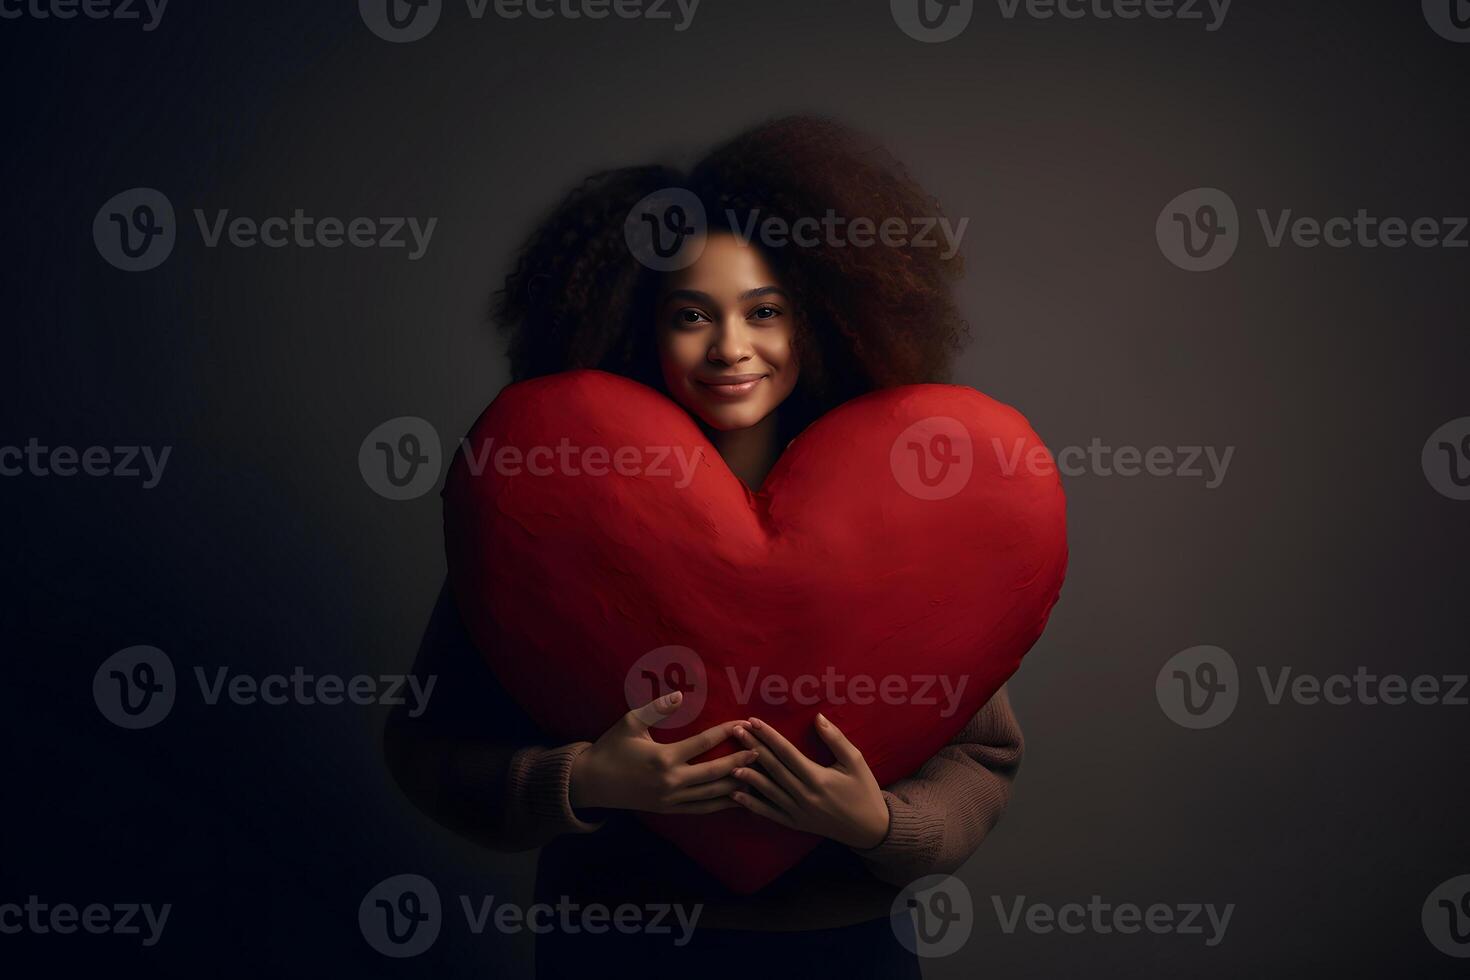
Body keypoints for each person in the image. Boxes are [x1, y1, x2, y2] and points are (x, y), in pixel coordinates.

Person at [383, 116, 1024, 977]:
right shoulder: (549, 505)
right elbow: (428, 745)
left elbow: (980, 756)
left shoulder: (910, 513)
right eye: (692, 315)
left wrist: (877, 825)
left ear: (825, 317)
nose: (731, 347)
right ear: (638, 325)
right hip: (614, 949)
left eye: (765, 311)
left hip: (842, 954)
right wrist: (584, 781)